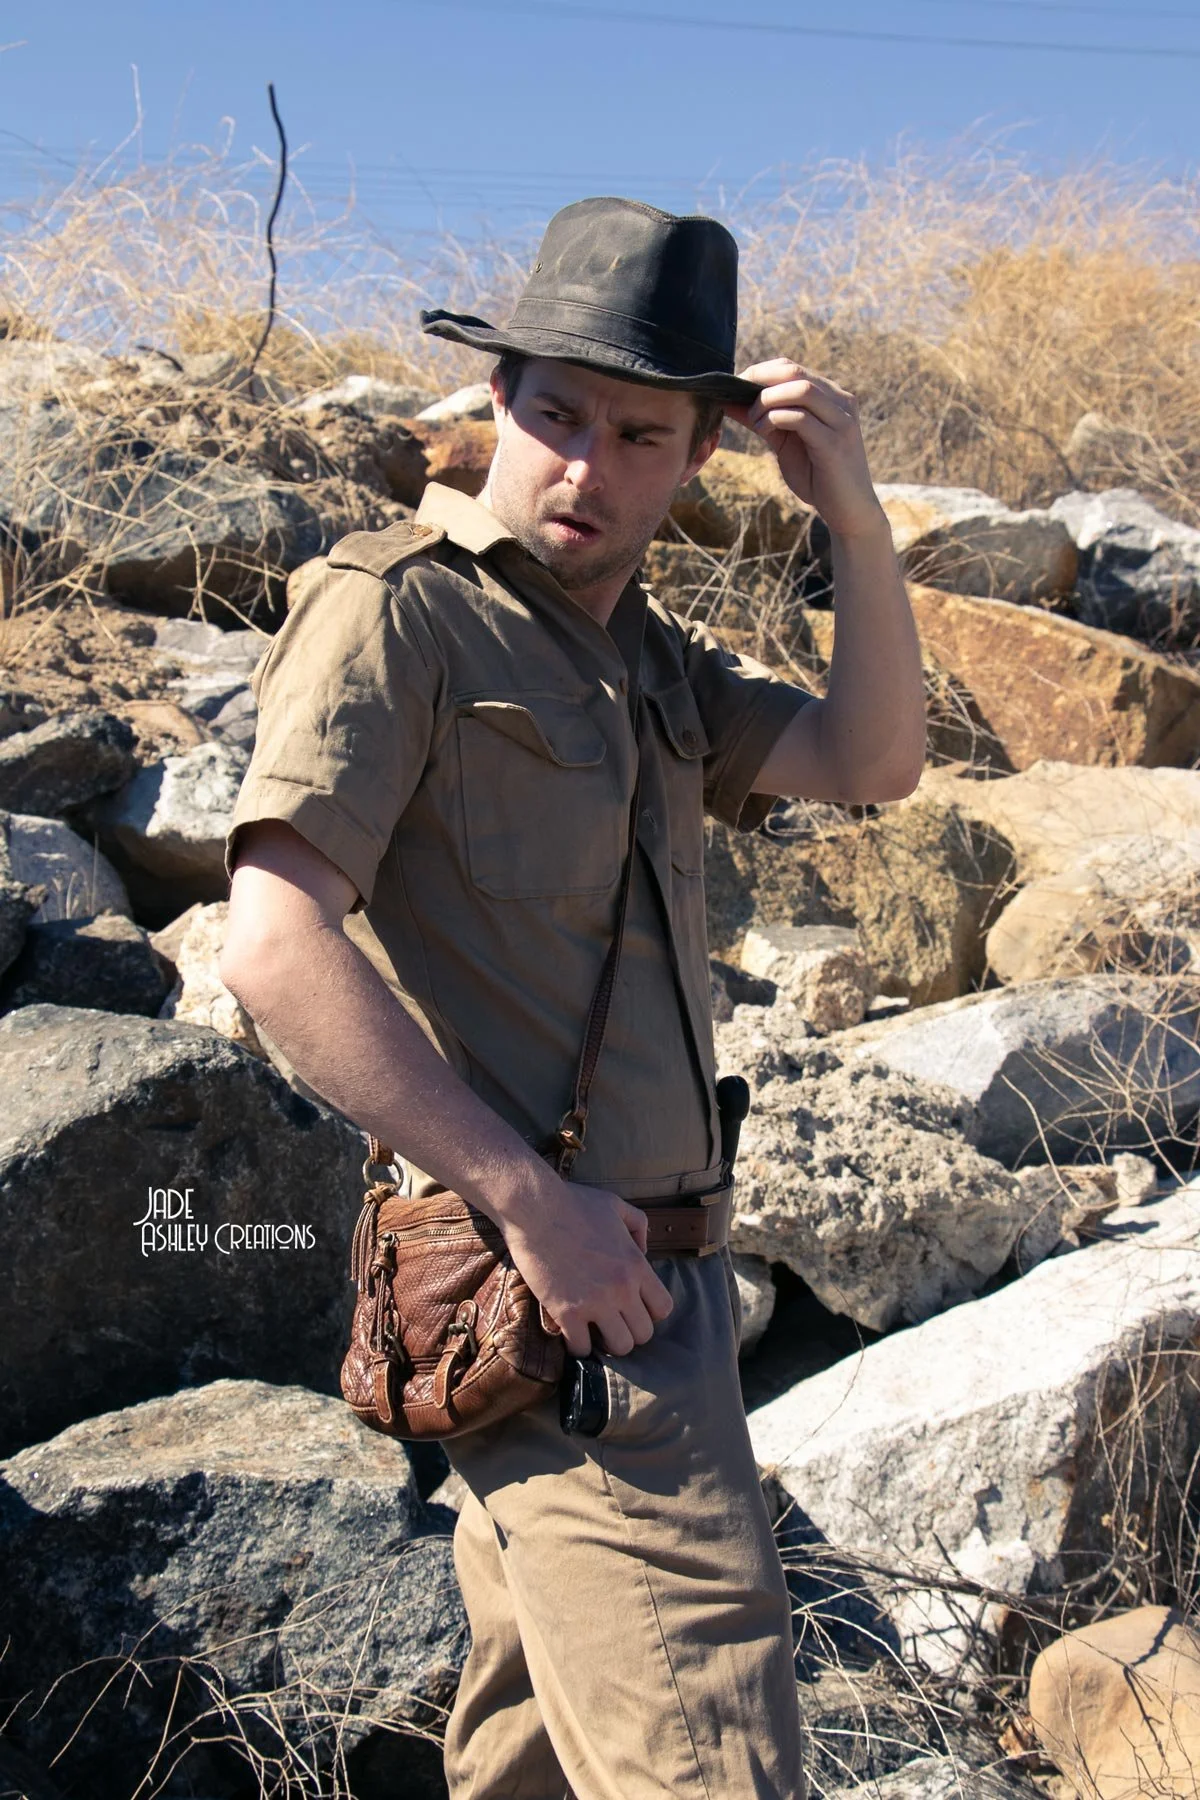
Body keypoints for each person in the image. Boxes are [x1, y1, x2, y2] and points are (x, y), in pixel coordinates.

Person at [220, 195, 926, 1800]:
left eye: (638, 433)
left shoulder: (655, 665)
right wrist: (531, 1200)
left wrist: (858, 523)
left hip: (637, 1288)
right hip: (558, 1295)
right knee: (712, 1769)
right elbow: (273, 942)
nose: (586, 466)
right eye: (556, 415)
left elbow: (874, 759)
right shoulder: (400, 607)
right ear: (497, 404)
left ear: (693, 463)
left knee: (530, 1765)